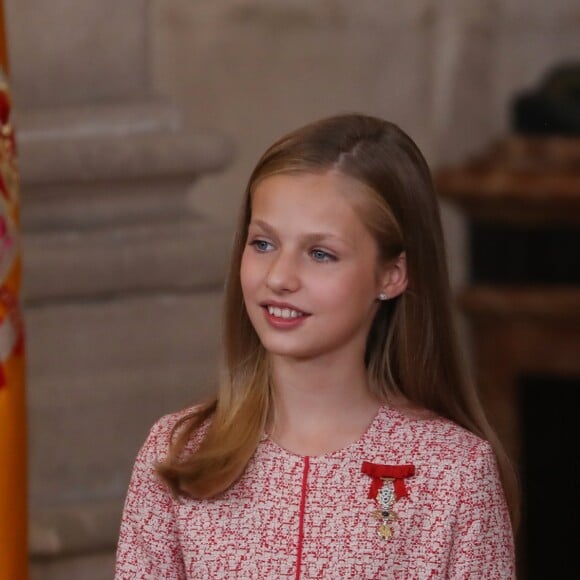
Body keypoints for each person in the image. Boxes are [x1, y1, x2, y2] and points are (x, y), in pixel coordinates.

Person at [115, 113, 518, 579]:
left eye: (320, 253)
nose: (280, 278)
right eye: (263, 243)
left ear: (391, 275)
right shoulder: (179, 451)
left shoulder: (454, 474)